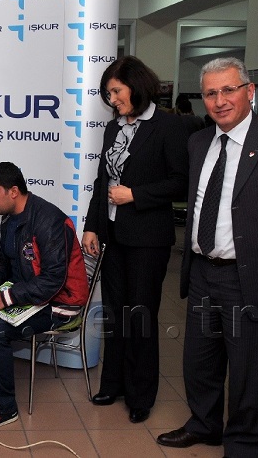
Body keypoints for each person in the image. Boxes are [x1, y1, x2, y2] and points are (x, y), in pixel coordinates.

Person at [156, 57, 258, 457]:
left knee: (249, 370)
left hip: (249, 277)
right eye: (210, 93)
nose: (219, 100)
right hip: (203, 272)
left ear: (250, 91)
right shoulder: (199, 142)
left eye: (228, 90)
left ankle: (245, 444)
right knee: (199, 361)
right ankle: (204, 425)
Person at [81, 56, 188, 424]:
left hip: (148, 239)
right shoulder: (113, 128)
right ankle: (113, 384)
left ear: (137, 85)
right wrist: (92, 226)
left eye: (116, 91)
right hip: (114, 235)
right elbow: (103, 180)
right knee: (115, 313)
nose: (112, 100)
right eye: (108, 94)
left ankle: (141, 394)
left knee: (139, 315)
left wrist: (136, 195)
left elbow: (180, 182)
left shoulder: (168, 126)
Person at [0, 162, 89, 431]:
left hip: (61, 303)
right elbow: (5, 259)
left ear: (13, 191)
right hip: (30, 294)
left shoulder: (50, 220)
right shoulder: (9, 217)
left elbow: (53, 280)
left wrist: (6, 299)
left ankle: (3, 407)